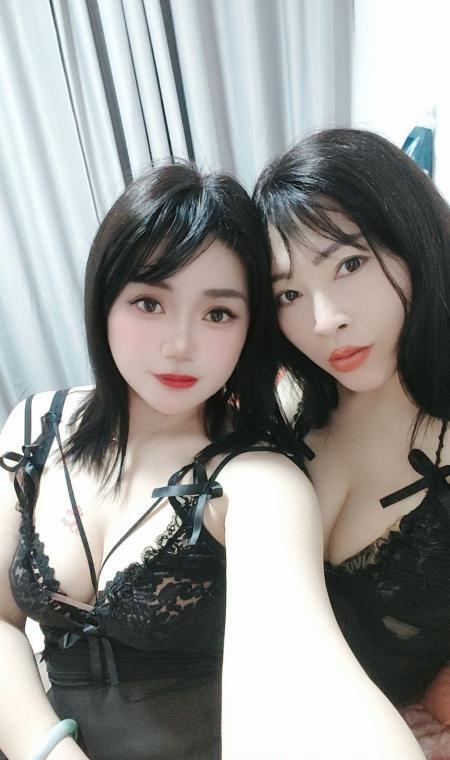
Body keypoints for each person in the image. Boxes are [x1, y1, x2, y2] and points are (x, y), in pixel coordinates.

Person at [0, 160, 424, 760]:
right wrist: (45, 749)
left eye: (218, 313)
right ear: (104, 299)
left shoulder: (258, 481)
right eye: (149, 302)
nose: (180, 345)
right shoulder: (37, 425)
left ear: (251, 328)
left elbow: (306, 667)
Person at [254, 127, 450, 759]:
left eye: (349, 264)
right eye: (288, 293)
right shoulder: (284, 406)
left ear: (414, 238)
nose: (324, 320)